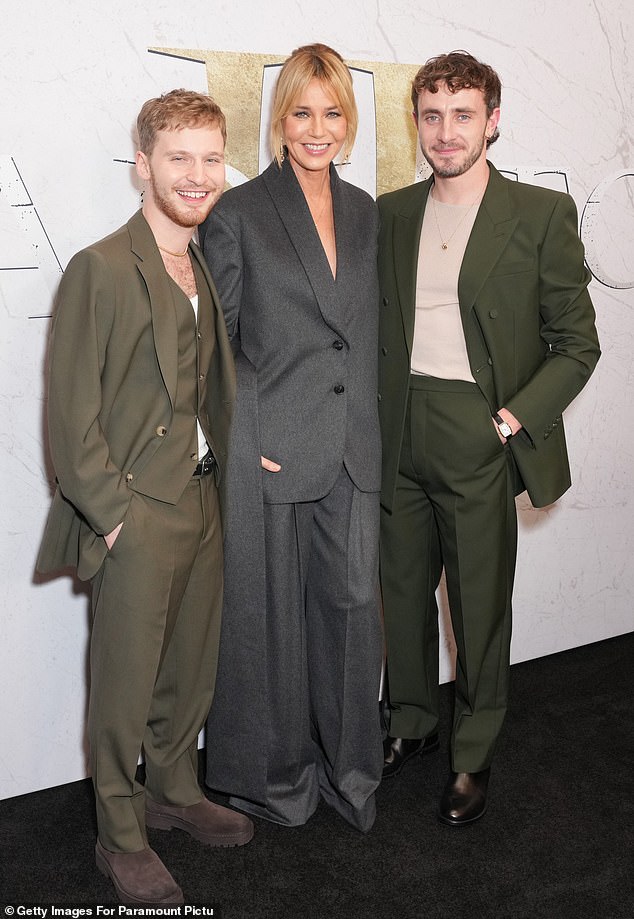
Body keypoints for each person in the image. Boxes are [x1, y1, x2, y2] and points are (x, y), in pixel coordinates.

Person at [36, 89, 253, 904]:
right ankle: (118, 836)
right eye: (178, 158)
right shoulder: (99, 266)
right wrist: (116, 516)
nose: (197, 176)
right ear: (143, 165)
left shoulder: (198, 259)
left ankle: (173, 788)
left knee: (190, 669)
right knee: (124, 683)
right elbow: (71, 412)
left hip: (201, 500)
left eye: (209, 158)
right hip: (136, 510)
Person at [378, 51, 600, 826]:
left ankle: (472, 752)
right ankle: (410, 723)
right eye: (432, 115)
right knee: (400, 596)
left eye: (463, 114)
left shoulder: (539, 215)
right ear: (418, 123)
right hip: (395, 426)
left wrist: (507, 419)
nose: (446, 132)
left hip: (478, 428)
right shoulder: (392, 212)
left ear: (492, 120)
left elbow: (578, 343)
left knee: (476, 605)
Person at [201, 43, 384, 832]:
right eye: (303, 111)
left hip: (352, 447)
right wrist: (246, 439)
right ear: (279, 117)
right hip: (273, 447)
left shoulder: (368, 210)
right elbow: (218, 349)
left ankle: (352, 776)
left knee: (350, 614)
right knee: (269, 625)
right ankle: (277, 780)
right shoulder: (238, 214)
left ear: (349, 122)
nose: (318, 128)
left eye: (333, 112)